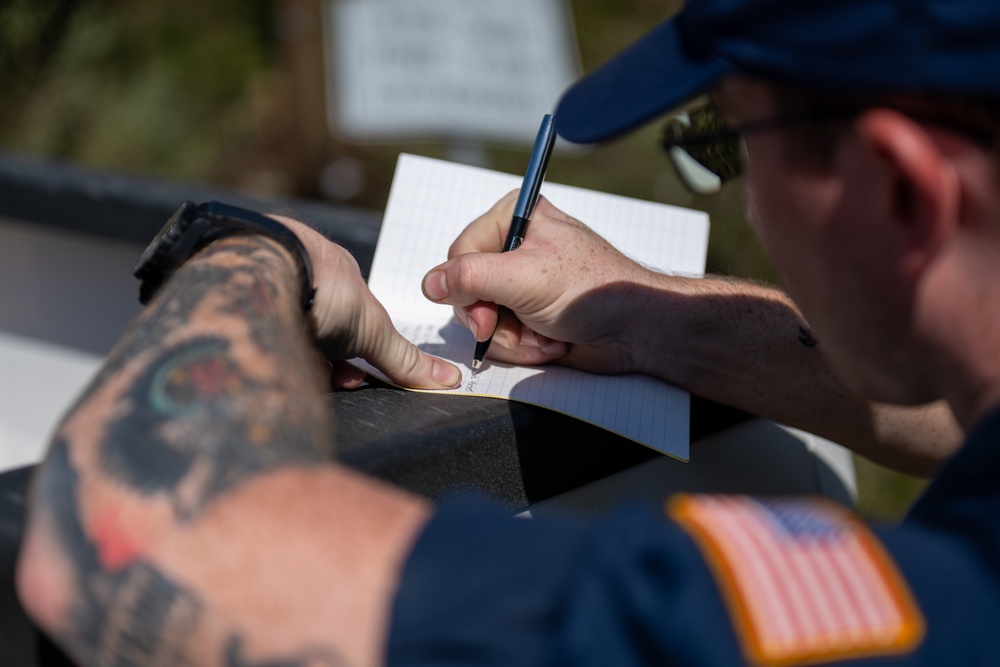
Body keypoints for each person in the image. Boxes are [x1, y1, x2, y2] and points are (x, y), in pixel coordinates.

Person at [16, 0, 1000, 663]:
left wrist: (250, 251)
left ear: (901, 191)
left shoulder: (933, 613)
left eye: (731, 142)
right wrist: (654, 322)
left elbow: (131, 540)